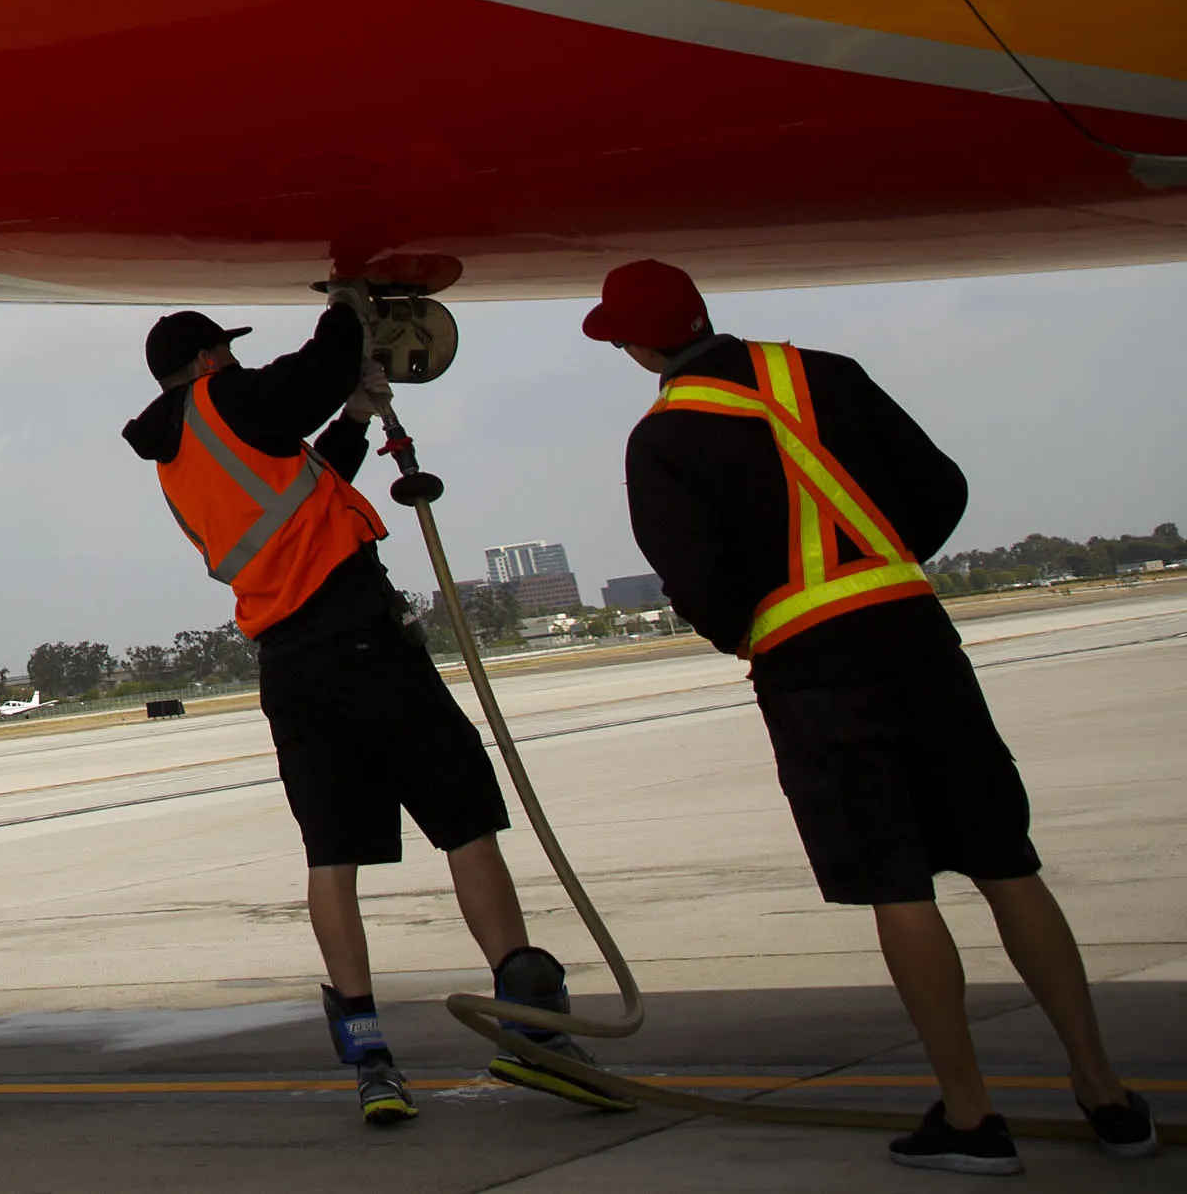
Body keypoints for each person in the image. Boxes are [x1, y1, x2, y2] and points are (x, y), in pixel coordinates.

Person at [590, 259, 1156, 1174]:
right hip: (917, 635)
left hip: (816, 671)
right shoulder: (826, 370)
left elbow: (694, 578)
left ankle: (972, 1119)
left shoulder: (661, 439)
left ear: (641, 343)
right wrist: (876, 565)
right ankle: (1107, 1094)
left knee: (900, 886)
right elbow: (939, 486)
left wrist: (760, 625)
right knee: (1008, 865)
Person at [124, 301, 622, 1126]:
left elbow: (296, 493)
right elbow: (319, 363)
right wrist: (352, 303)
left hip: (289, 666)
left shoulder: (175, 455)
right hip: (360, 638)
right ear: (211, 360)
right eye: (226, 354)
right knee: (466, 820)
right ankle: (538, 1028)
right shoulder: (230, 400)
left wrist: (355, 419)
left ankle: (370, 1057)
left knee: (333, 855)